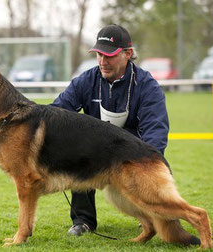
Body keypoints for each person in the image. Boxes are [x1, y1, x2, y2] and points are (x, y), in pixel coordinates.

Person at [52, 24, 169, 236]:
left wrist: (148, 169)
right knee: (77, 155)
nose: (102, 62)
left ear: (128, 54)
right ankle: (83, 221)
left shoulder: (146, 85)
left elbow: (156, 131)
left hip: (133, 150)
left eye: (109, 56)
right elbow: (57, 111)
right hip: (95, 150)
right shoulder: (86, 80)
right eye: (98, 54)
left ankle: (149, 214)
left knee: (155, 165)